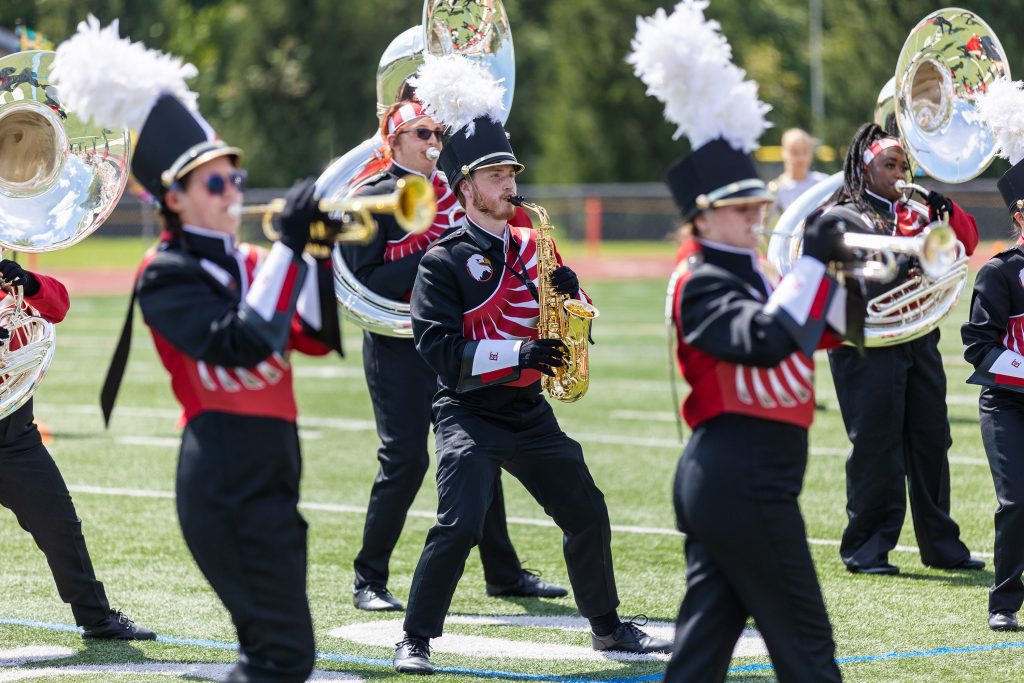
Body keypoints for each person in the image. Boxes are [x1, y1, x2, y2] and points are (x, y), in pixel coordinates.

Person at [391, 108, 671, 673]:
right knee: (461, 522)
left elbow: (576, 324)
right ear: (467, 186)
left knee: (587, 511)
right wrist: (516, 353)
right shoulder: (441, 261)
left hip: (528, 409)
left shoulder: (532, 244)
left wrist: (577, 297)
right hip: (467, 411)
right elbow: (439, 351)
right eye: (496, 175)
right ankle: (415, 638)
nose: (510, 184)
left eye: (512, 173)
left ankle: (608, 629)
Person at [99, 91, 341, 680]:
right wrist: (289, 247)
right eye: (215, 185)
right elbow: (242, 341)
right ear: (173, 199)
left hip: (277, 471)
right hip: (222, 476)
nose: (233, 193)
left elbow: (312, 333)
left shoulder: (256, 263)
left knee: (279, 657)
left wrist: (315, 252)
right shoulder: (164, 275)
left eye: (236, 179)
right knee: (282, 656)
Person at [342, 99, 566, 612]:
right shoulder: (372, 198)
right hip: (398, 345)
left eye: (436, 133)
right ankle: (369, 578)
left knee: (482, 448)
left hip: (458, 345)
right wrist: (442, 255)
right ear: (392, 140)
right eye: (420, 134)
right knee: (404, 460)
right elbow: (365, 280)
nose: (432, 144)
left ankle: (504, 574)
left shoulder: (457, 192)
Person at [664, 135, 863, 682]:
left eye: (757, 201)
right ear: (702, 220)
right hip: (742, 475)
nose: (758, 212)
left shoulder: (757, 275)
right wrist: (813, 263)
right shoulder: (701, 282)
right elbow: (768, 338)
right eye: (739, 206)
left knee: (700, 656)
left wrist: (866, 271)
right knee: (808, 647)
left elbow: (838, 328)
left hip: (744, 479)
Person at [826, 122, 983, 575]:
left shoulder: (918, 212)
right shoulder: (842, 213)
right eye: (888, 165)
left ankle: (941, 545)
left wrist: (943, 207)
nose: (898, 173)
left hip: (917, 336)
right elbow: (846, 273)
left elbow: (967, 242)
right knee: (877, 444)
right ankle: (866, 548)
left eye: (903, 165)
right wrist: (906, 260)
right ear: (864, 167)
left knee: (933, 439)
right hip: (864, 340)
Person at [0, 260, 154, 641]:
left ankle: (97, 619)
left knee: (60, 525)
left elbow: (59, 306)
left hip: (15, 438)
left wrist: (32, 282)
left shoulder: (10, 287)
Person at [962, 157, 1024, 632]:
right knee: (1017, 500)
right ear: (1019, 215)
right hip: (1007, 403)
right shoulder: (1000, 273)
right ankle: (1004, 601)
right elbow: (978, 348)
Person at [769, 127, 829, 215]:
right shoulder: (777, 189)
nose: (801, 158)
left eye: (805, 152)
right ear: (784, 153)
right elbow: (764, 224)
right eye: (795, 152)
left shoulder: (823, 182)